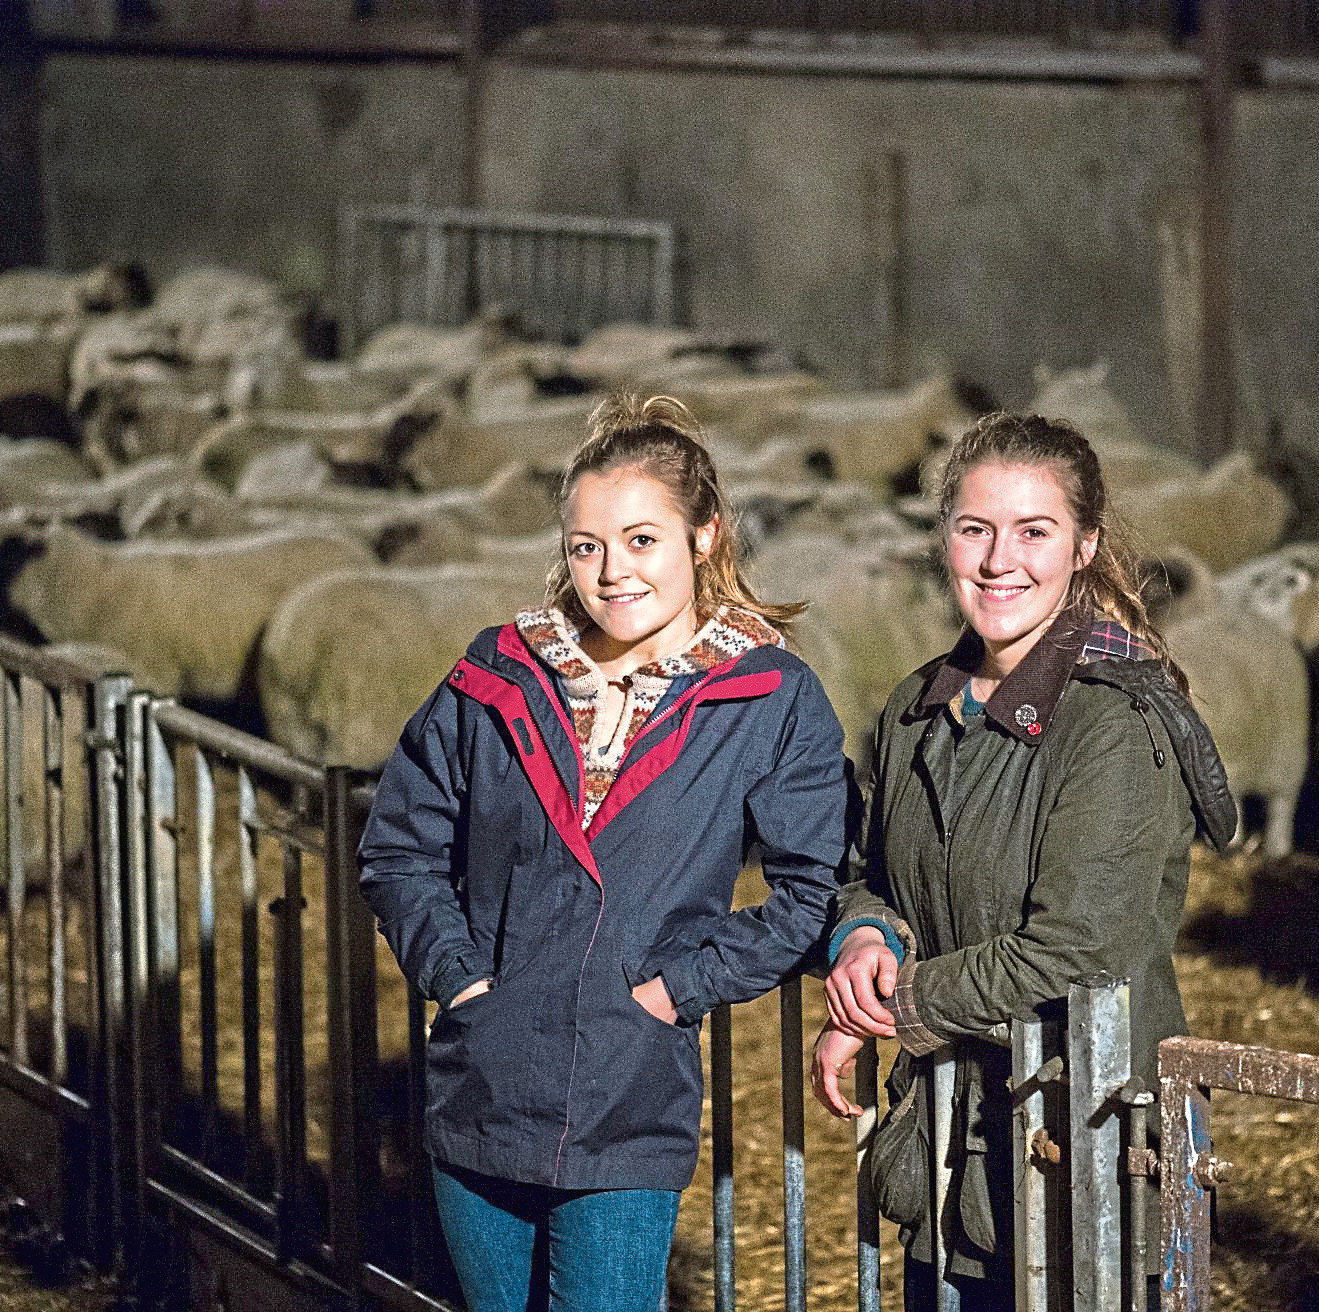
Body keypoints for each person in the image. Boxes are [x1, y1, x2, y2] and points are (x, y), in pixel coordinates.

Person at [359, 395, 852, 1312]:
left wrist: (676, 991)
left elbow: (808, 890)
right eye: (586, 546)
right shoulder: (497, 673)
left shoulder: (765, 697)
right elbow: (399, 845)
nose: (611, 571)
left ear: (702, 537)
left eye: (640, 541)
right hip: (483, 1084)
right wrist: (459, 976)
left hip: (629, 1098)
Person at [808, 412, 1236, 1307]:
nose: (1000, 559)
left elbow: (1079, 952)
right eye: (975, 529)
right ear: (944, 542)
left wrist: (904, 1000)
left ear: (1083, 546)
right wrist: (863, 938)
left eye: (1033, 531)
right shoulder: (916, 709)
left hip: (1090, 1148)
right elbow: (869, 872)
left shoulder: (1112, 725)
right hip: (950, 1153)